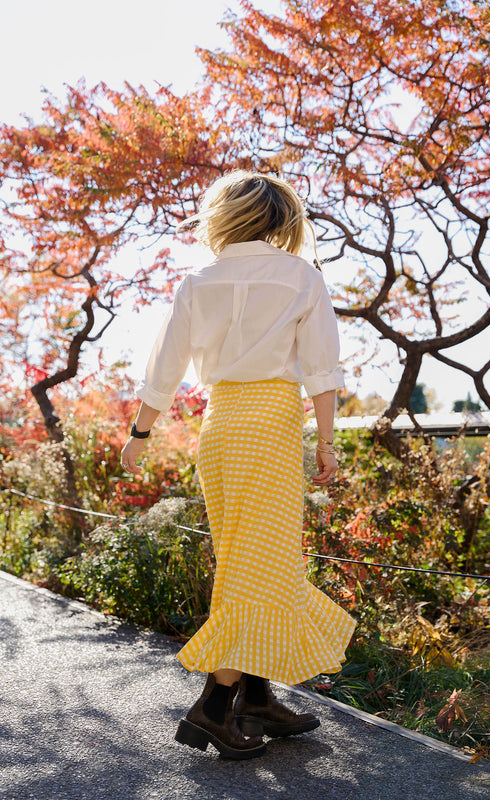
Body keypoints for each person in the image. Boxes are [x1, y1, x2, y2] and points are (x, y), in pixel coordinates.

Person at [120, 170, 355, 760]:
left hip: (221, 427)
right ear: (281, 219)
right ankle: (212, 707)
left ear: (224, 217)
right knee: (261, 565)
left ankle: (257, 698)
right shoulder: (301, 276)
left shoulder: (198, 281)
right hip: (271, 425)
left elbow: (165, 366)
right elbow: (322, 368)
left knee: (248, 564)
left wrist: (139, 434)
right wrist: (328, 443)